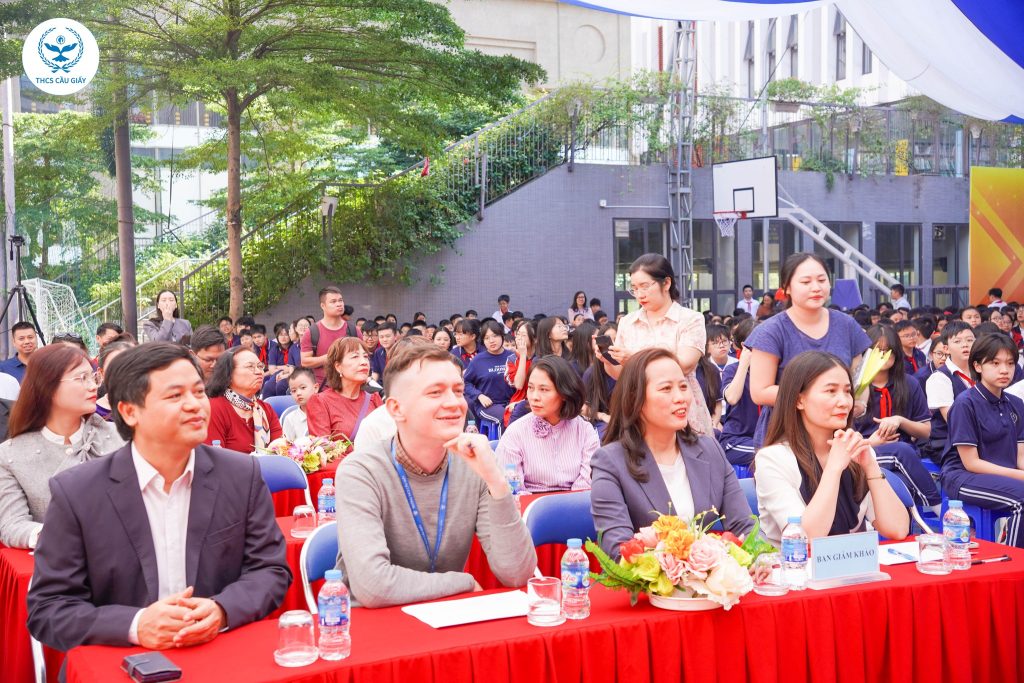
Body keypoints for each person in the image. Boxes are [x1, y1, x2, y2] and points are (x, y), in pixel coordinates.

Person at [26, 343, 291, 651]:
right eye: (175, 396)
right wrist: (136, 625)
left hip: (218, 651)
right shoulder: (78, 492)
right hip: (125, 660)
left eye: (199, 392)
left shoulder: (241, 475)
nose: (195, 405)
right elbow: (49, 607)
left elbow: (270, 571)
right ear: (129, 411)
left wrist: (221, 609)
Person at [334, 343, 536, 608]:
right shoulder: (361, 471)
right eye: (435, 392)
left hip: (448, 615)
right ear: (396, 409)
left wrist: (496, 483)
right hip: (376, 622)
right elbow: (373, 585)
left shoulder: (473, 464)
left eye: (458, 391)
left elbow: (517, 573)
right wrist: (462, 583)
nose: (454, 403)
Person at [590, 348, 756, 560]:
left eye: (683, 386)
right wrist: (686, 568)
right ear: (634, 398)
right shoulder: (610, 462)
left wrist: (759, 559)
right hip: (650, 580)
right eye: (666, 388)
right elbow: (619, 551)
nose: (680, 398)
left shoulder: (709, 450)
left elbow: (745, 526)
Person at [754, 351, 910, 544]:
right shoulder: (773, 459)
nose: (844, 402)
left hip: (851, 560)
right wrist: (834, 468)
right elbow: (806, 538)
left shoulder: (856, 451)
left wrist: (871, 467)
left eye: (847, 391)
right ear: (799, 400)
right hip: (794, 562)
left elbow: (898, 529)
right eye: (831, 391)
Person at [0, 344, 124, 549]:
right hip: (62, 561)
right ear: (47, 387)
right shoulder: (10, 455)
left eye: (93, 377)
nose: (93, 386)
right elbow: (12, 524)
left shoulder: (120, 437)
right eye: (81, 378)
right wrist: (58, 536)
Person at [746, 253, 871, 448]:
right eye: (806, 282)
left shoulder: (847, 325)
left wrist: (860, 403)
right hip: (786, 437)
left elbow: (858, 378)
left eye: (822, 280)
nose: (816, 288)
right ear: (786, 287)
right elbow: (760, 392)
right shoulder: (771, 331)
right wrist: (818, 400)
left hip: (837, 437)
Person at [597, 253, 715, 436]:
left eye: (645, 286)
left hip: (679, 408)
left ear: (666, 283)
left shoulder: (690, 319)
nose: (639, 294)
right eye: (634, 289)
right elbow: (620, 374)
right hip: (639, 408)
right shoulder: (628, 322)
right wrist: (609, 360)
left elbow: (685, 364)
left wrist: (634, 359)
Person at [942, 334, 1024, 548]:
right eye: (995, 363)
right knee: (1022, 499)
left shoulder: (1016, 404)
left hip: (1003, 475)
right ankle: (1012, 561)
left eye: (1010, 363)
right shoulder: (965, 404)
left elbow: (1020, 456)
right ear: (978, 366)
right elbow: (971, 463)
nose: (1004, 370)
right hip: (964, 477)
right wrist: (1019, 476)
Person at [854, 325, 941, 511]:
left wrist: (900, 420)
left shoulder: (909, 383)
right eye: (878, 350)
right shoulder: (855, 387)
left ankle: (913, 523)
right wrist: (871, 442)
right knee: (900, 452)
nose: (884, 355)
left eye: (889, 350)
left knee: (900, 479)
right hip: (865, 452)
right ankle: (938, 508)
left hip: (905, 457)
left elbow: (926, 431)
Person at [496, 356, 597, 492]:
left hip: (574, 501)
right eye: (530, 388)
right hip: (530, 502)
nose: (534, 397)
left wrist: (566, 503)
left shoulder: (584, 430)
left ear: (564, 393)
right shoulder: (515, 432)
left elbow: (587, 481)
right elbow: (513, 489)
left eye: (544, 389)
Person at [306, 338, 382, 448]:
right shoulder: (320, 402)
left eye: (365, 356)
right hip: (345, 460)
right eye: (355, 357)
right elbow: (323, 450)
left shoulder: (374, 399)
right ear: (338, 367)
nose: (364, 362)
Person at [205, 347, 283, 453]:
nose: (259, 372)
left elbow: (281, 451)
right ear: (229, 374)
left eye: (260, 366)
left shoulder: (266, 409)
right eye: (250, 366)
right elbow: (214, 457)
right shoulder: (214, 409)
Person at [923, 321, 976, 464]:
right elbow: (954, 420)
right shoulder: (939, 378)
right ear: (946, 348)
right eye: (957, 341)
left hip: (980, 439)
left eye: (970, 340)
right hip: (948, 444)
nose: (965, 345)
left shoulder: (981, 372)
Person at [301, 286, 360, 386]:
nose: (339, 304)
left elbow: (362, 357)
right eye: (333, 301)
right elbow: (305, 362)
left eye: (340, 300)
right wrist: (329, 357)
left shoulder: (353, 330)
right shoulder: (312, 332)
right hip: (322, 388)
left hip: (349, 386)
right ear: (323, 306)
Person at [719, 319, 759, 467]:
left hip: (766, 439)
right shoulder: (732, 370)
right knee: (768, 454)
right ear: (744, 346)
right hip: (736, 440)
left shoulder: (774, 370)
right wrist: (744, 363)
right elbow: (732, 398)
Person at [463, 320, 516, 429]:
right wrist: (479, 396)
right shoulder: (478, 360)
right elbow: (465, 382)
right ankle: (503, 442)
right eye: (487, 338)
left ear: (502, 336)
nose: (491, 341)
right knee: (505, 417)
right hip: (488, 405)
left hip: (512, 402)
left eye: (495, 336)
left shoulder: (513, 357)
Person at [583, 323, 617, 438]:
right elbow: (583, 408)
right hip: (602, 422)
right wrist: (603, 416)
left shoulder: (629, 368)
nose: (613, 345)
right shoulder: (591, 374)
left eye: (616, 340)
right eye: (609, 341)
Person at [95, 341, 136, 421]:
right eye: (114, 367)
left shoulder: (149, 406)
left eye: (129, 366)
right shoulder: (92, 413)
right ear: (102, 373)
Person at [504, 321, 535, 426]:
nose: (519, 338)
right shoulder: (512, 359)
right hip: (519, 400)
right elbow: (519, 384)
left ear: (534, 338)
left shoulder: (540, 358)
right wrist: (523, 355)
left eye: (523, 335)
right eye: (518, 334)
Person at [282, 367, 318, 440]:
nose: (298, 393)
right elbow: (286, 445)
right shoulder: (290, 419)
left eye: (303, 387)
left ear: (315, 388)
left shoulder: (326, 413)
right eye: (294, 391)